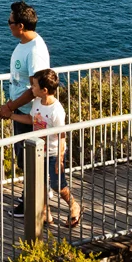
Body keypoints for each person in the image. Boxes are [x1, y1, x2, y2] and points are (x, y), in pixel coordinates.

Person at [0, 0, 49, 218]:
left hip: (28, 112)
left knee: (28, 159)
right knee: (23, 158)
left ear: (21, 26)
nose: (7, 24)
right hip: (21, 111)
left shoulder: (35, 51)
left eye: (10, 21)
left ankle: (32, 203)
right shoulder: (24, 44)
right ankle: (32, 195)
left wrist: (10, 107)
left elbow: (35, 88)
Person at [9, 68, 81, 228]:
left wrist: (60, 159)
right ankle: (45, 214)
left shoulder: (56, 111)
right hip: (39, 151)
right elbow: (31, 119)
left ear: (44, 90)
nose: (31, 89)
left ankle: (74, 205)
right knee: (38, 183)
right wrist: (11, 115)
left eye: (34, 86)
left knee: (57, 185)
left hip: (54, 152)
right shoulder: (36, 102)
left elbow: (62, 135)